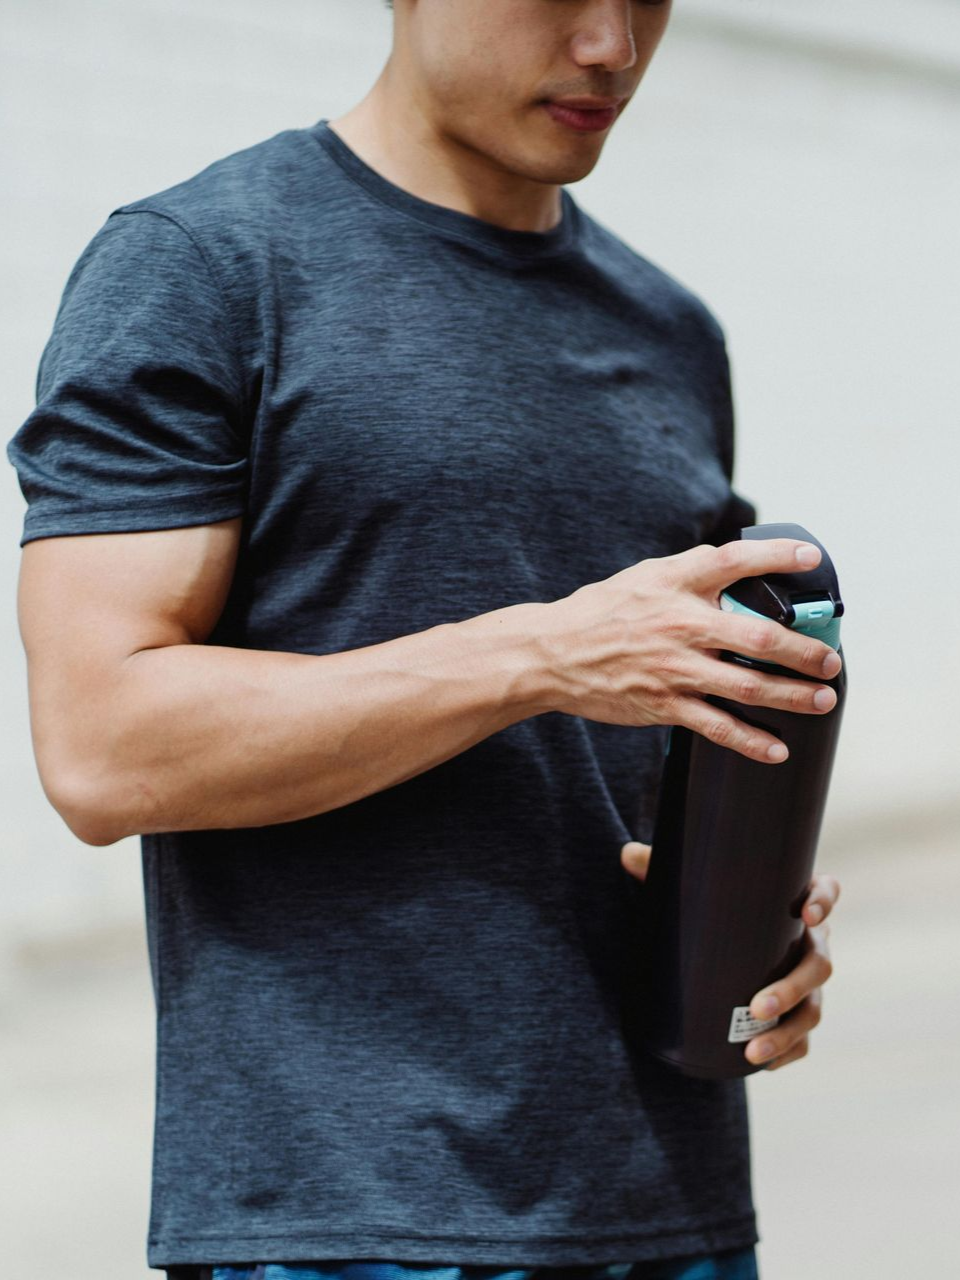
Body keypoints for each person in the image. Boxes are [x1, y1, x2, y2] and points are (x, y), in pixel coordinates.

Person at [7, 1, 842, 1278]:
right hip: (351, 1214)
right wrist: (538, 656)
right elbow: (102, 748)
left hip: (668, 1194)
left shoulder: (670, 327)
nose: (613, 45)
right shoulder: (207, 263)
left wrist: (750, 909)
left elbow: (644, 729)